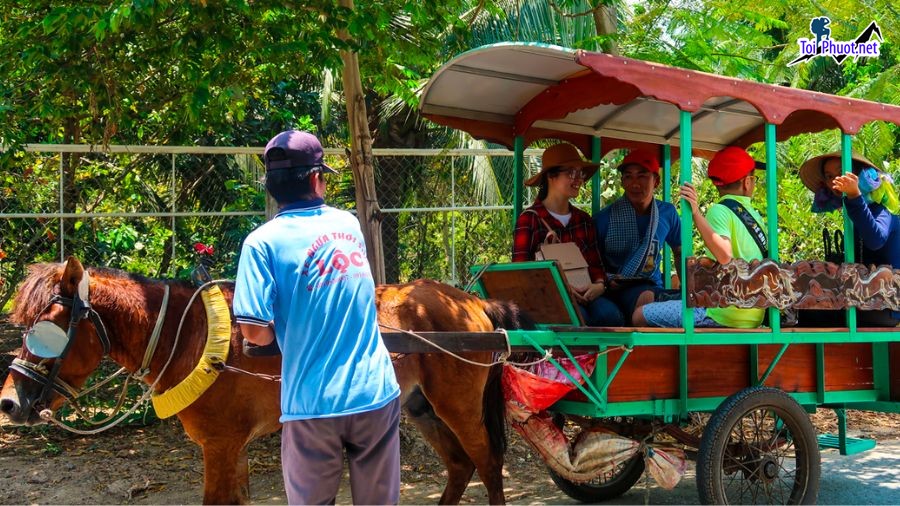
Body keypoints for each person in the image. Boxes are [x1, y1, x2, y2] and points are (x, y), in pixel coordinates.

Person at [233, 130, 401, 504]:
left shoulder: (260, 243)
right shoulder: (349, 224)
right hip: (375, 393)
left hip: (311, 406)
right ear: (315, 178)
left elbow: (253, 331)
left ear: (271, 186)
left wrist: (287, 331)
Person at [633, 146, 767, 328]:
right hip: (752, 315)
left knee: (639, 314)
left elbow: (725, 255)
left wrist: (696, 213)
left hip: (722, 313)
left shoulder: (720, 210)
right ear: (747, 182)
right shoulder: (756, 217)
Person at [512, 142, 624, 326]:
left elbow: (595, 265)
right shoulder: (529, 220)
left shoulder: (584, 220)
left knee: (612, 316)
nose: (579, 179)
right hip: (551, 297)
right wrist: (561, 289)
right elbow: (520, 273)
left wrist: (598, 285)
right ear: (551, 176)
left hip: (588, 293)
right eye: (571, 173)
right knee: (578, 320)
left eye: (580, 173)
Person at [799, 151, 900, 326]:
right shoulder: (853, 216)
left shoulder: (882, 211)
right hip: (864, 301)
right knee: (806, 308)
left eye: (840, 173)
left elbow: (875, 240)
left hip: (888, 306)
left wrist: (854, 196)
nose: (834, 181)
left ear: (859, 175)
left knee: (811, 315)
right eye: (829, 176)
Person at [594, 149, 682, 324]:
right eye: (628, 177)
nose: (635, 184)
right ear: (622, 182)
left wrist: (688, 288)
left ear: (656, 181)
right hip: (615, 289)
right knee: (647, 299)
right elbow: (592, 262)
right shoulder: (603, 219)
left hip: (653, 285)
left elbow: (680, 252)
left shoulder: (667, 213)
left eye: (642, 176)